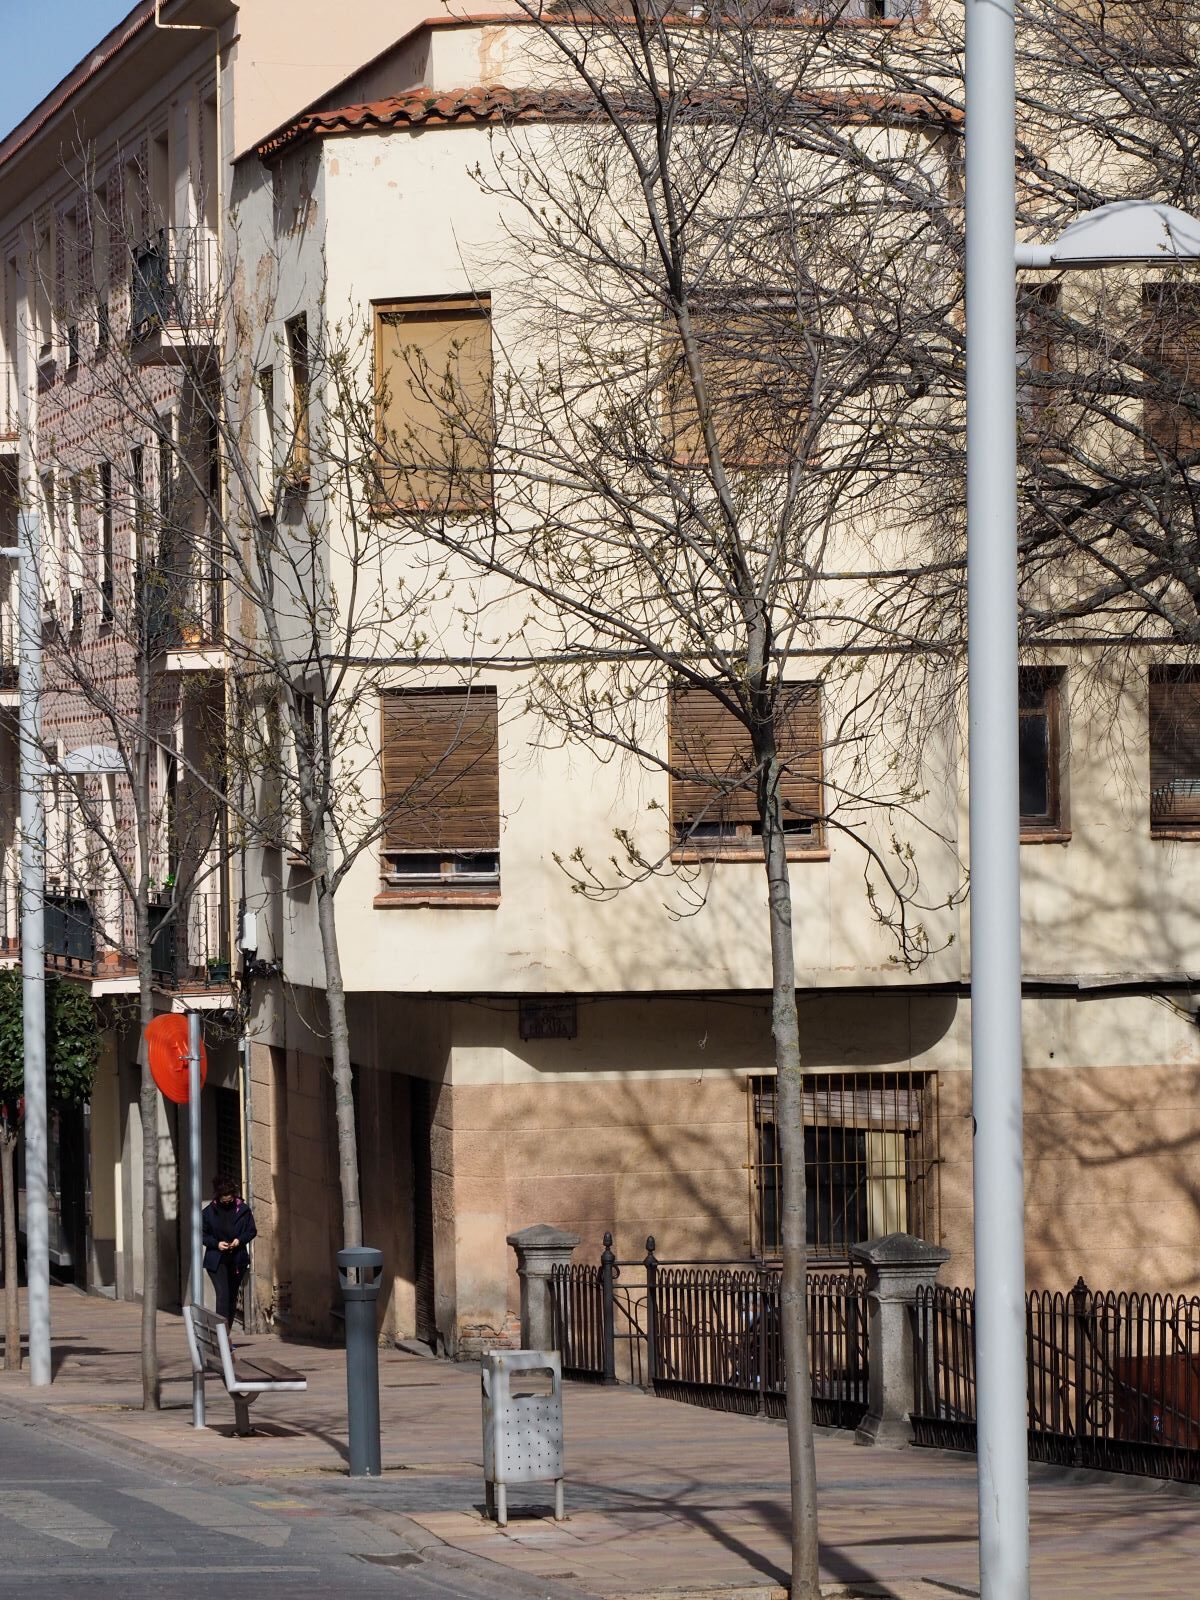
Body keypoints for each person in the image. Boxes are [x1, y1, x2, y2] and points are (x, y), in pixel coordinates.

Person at [202, 1173, 257, 1330]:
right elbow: (201, 1235)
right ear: (218, 1197)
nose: (227, 1202)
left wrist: (239, 1241)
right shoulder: (208, 1213)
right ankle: (221, 1336)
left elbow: (251, 1231)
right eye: (224, 1199)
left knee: (232, 1297)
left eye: (230, 1199)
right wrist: (216, 1244)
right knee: (223, 1295)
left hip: (237, 1259)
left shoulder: (243, 1210)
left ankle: (226, 1333)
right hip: (217, 1260)